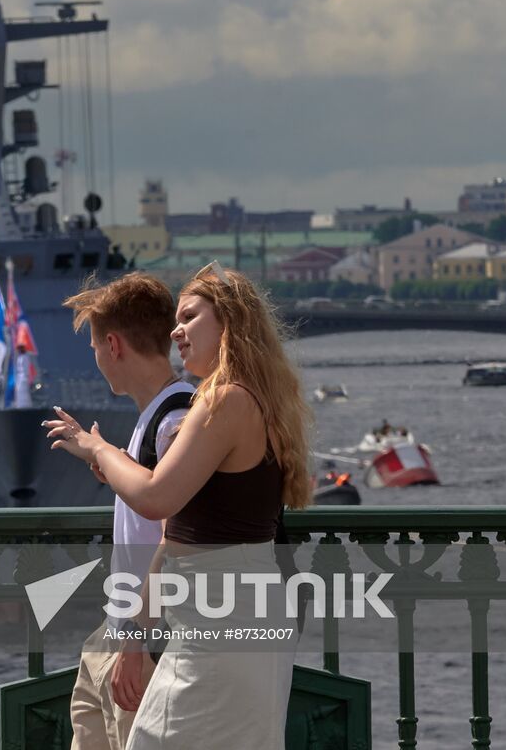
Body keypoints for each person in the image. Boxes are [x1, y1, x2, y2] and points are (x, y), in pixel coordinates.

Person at [47, 263, 312, 749]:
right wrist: (137, 630)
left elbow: (155, 499)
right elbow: (177, 530)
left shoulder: (224, 400)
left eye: (189, 317)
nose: (176, 331)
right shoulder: (253, 400)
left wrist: (96, 448)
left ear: (229, 321)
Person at [45, 272, 198, 750]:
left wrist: (137, 637)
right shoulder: (159, 415)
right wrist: (105, 459)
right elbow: (152, 488)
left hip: (142, 639)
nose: (96, 357)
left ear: (112, 345)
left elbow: (179, 535)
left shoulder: (174, 421)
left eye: (95, 346)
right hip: (117, 631)